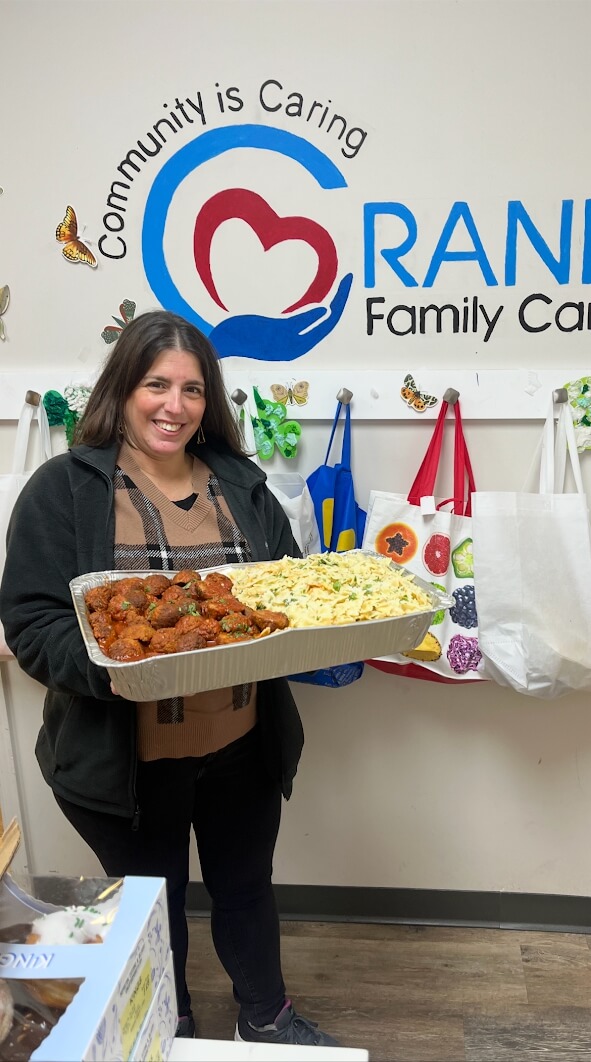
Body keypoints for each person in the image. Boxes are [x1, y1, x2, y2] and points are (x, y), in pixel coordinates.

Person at [0, 310, 338, 1047]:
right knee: (152, 909)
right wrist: (117, 668)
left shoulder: (241, 484)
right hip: (124, 764)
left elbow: (285, 594)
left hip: (242, 748)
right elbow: (30, 622)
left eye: (191, 389)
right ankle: (167, 1023)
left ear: (207, 400)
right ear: (123, 390)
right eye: (156, 384)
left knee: (246, 888)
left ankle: (265, 1018)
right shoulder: (64, 490)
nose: (173, 406)